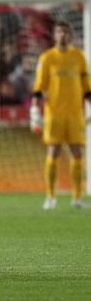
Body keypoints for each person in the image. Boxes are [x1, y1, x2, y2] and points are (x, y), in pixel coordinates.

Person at [30, 20, 91, 210]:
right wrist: (34, 111)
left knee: (77, 153)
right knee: (53, 152)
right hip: (54, 114)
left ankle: (77, 198)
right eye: (59, 32)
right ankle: (50, 197)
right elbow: (39, 88)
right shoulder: (47, 58)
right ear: (54, 35)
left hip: (75, 114)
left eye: (65, 32)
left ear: (70, 35)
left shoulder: (79, 57)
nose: (62, 35)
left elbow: (87, 89)